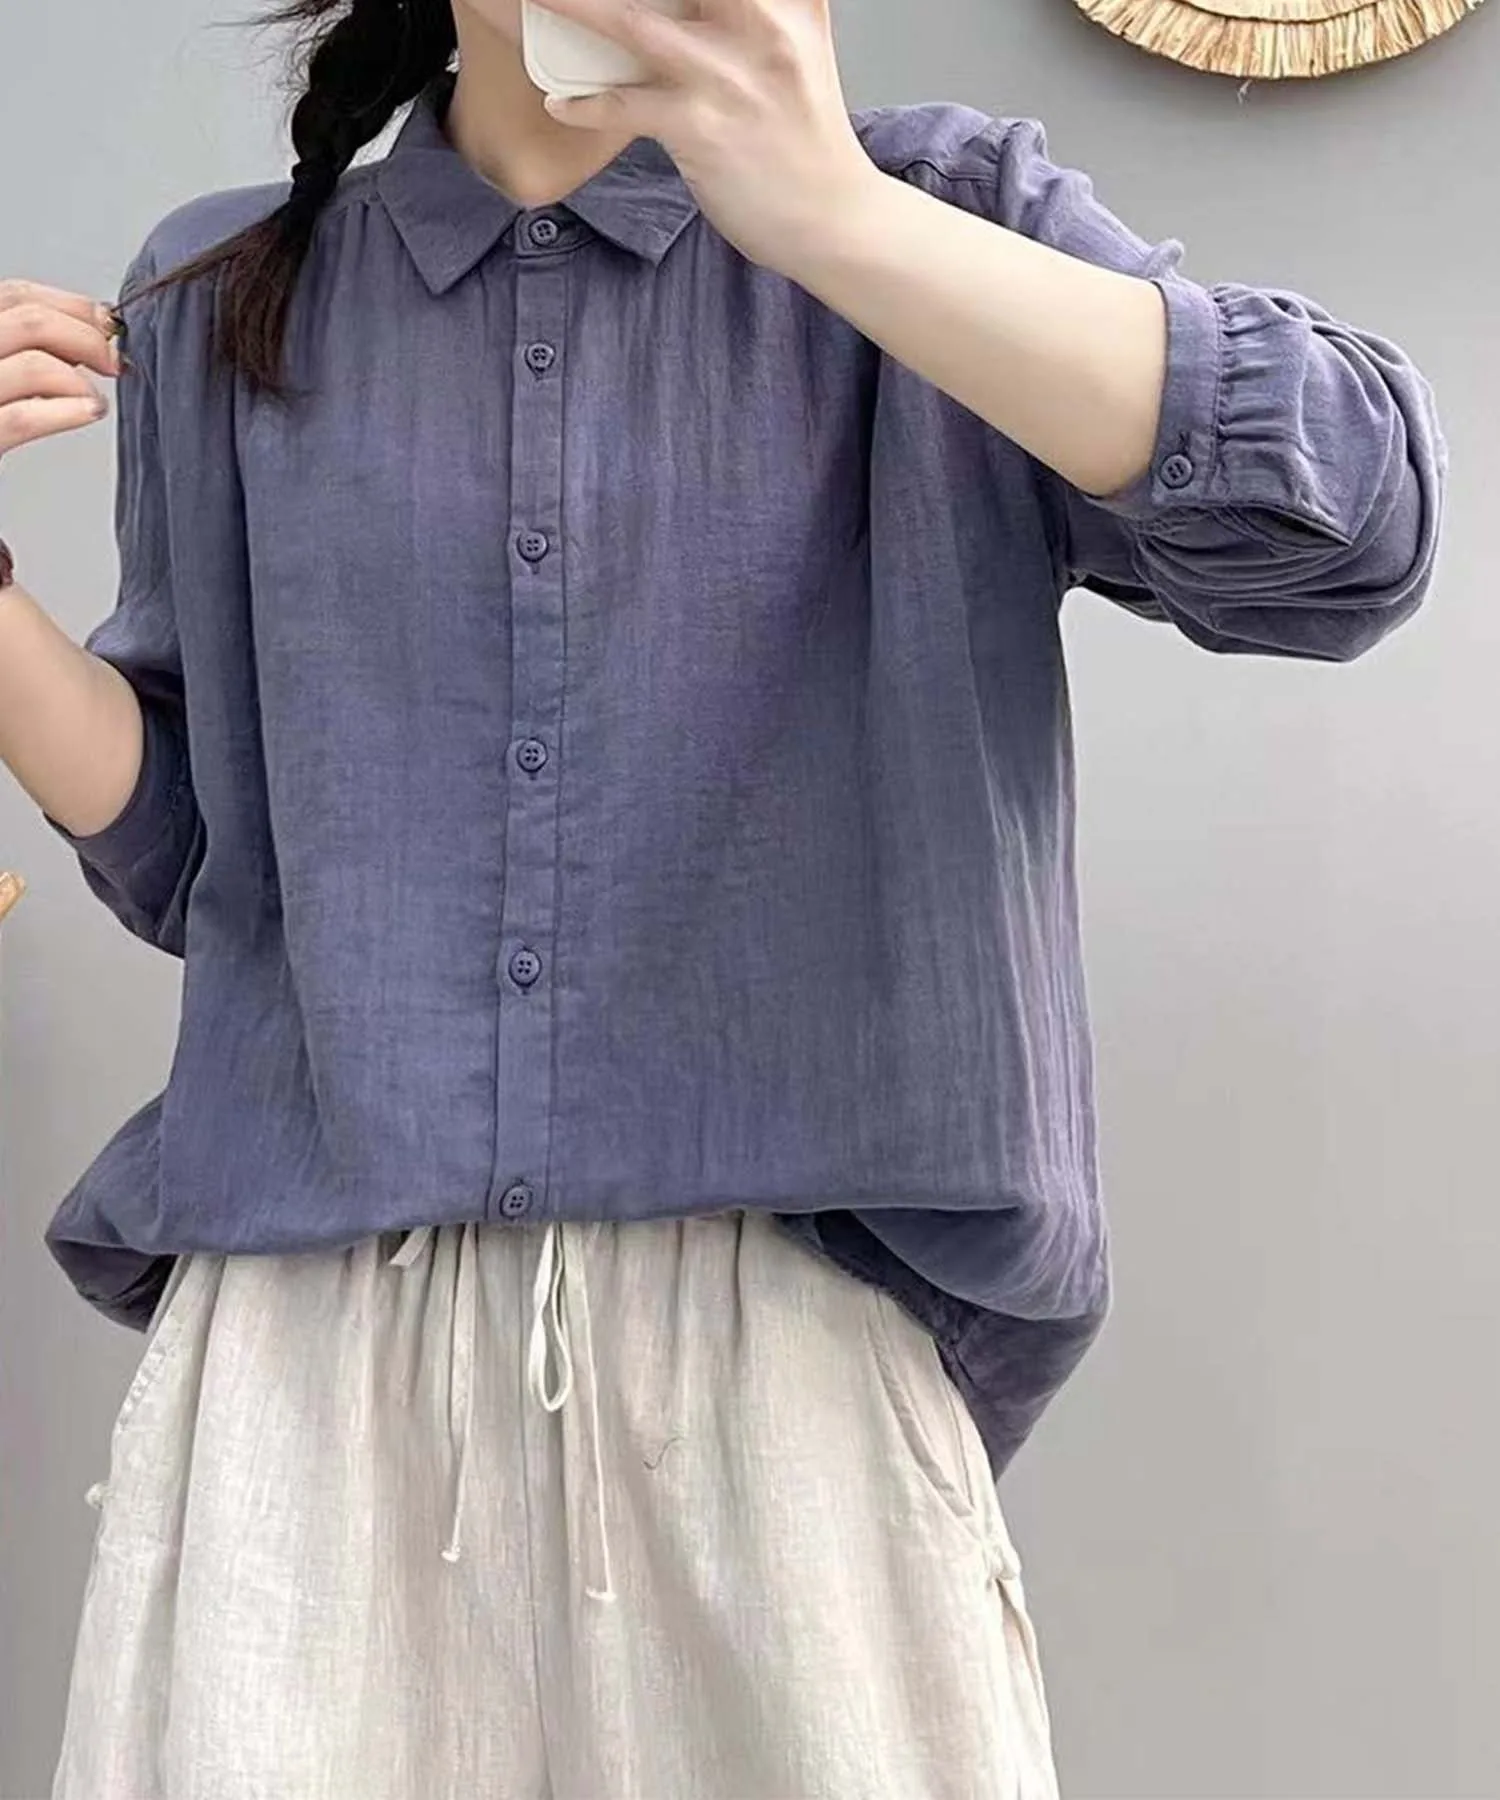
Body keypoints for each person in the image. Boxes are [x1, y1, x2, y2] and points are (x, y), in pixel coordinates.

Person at [0, 0, 1445, 1792]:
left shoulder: (936, 212)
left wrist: (830, 214)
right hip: (307, 1366)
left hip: (785, 1371)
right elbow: (207, 854)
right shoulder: (229, 291)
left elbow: (1355, 528)